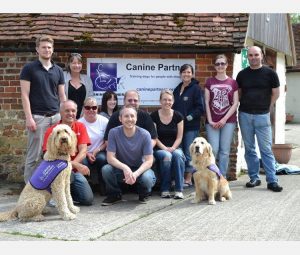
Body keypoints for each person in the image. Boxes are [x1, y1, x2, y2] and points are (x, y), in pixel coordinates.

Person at [20, 35, 66, 184]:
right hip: (38, 118)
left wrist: (64, 118)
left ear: (52, 50)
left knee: (54, 155)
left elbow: (62, 96)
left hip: (56, 118)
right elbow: (24, 95)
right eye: (44, 47)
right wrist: (29, 118)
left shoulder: (58, 70)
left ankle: (50, 189)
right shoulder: (29, 69)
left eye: (49, 47)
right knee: (34, 157)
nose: (47, 50)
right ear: (37, 49)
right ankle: (30, 190)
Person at [236, 46, 283, 192]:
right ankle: (254, 178)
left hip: (263, 116)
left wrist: (267, 106)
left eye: (256, 55)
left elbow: (276, 93)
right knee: (249, 149)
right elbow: (239, 93)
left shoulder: (270, 74)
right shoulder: (242, 75)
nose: (253, 57)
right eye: (250, 55)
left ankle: (272, 180)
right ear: (247, 57)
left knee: (266, 149)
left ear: (261, 56)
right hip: (245, 115)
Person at [101, 106, 156, 206]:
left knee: (147, 178)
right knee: (106, 169)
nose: (130, 119)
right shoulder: (113, 132)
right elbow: (110, 158)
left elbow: (149, 161)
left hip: (141, 169)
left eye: (132, 116)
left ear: (136, 118)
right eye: (126, 116)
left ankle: (144, 193)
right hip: (121, 169)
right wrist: (125, 168)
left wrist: (135, 174)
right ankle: (115, 194)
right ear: (120, 119)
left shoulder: (145, 134)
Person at [43, 100, 94, 205]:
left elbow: (83, 150)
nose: (71, 113)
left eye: (73, 111)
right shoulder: (52, 131)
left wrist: (73, 165)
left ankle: (65, 196)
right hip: (57, 169)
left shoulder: (80, 126)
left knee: (87, 200)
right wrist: (75, 164)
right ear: (60, 112)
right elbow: (49, 155)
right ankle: (55, 195)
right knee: (65, 174)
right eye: (67, 111)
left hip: (74, 171)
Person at [204, 54, 239, 177]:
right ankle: (212, 175)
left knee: (224, 151)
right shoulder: (209, 81)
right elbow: (207, 102)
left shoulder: (233, 82)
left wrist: (224, 120)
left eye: (222, 63)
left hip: (228, 121)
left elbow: (235, 103)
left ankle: (222, 176)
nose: (220, 66)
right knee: (213, 150)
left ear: (226, 65)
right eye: (218, 64)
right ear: (214, 66)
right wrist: (210, 120)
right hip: (212, 121)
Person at [172, 64, 205, 187]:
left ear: (192, 74)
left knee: (189, 152)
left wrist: (188, 118)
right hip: (178, 127)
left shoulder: (196, 88)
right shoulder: (177, 89)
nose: (186, 74)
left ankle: (188, 178)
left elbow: (200, 109)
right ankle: (179, 177)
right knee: (178, 153)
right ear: (180, 74)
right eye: (184, 72)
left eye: (189, 72)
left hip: (191, 127)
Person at [150, 89, 185, 199]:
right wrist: (165, 148)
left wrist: (173, 147)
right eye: (164, 99)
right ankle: (165, 189)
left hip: (175, 147)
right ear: (160, 101)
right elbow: (154, 137)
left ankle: (179, 190)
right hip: (159, 148)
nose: (167, 102)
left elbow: (179, 137)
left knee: (178, 155)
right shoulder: (154, 116)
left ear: (173, 101)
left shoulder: (178, 116)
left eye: (169, 100)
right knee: (166, 156)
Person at [78, 97, 108, 194]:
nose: (91, 110)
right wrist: (86, 153)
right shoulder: (79, 123)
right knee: (83, 162)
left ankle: (102, 183)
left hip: (100, 150)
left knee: (102, 159)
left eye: (94, 107)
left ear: (97, 108)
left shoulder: (104, 121)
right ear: (83, 108)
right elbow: (76, 143)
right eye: (87, 107)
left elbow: (107, 141)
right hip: (83, 151)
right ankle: (88, 186)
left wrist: (97, 150)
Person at [63, 53, 94, 119]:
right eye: (74, 63)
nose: (77, 65)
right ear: (69, 64)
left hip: (83, 116)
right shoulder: (63, 77)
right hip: (66, 115)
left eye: (79, 63)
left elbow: (90, 98)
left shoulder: (87, 79)